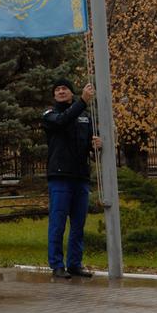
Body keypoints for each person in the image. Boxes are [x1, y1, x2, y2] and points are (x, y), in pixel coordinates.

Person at [42, 78, 102, 279]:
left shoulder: (84, 117)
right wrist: (83, 101)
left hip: (80, 177)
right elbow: (63, 120)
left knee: (78, 224)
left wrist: (96, 144)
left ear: (71, 92)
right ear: (54, 95)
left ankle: (74, 264)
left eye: (64, 88)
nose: (60, 91)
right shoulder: (50, 115)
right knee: (58, 222)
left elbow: (88, 144)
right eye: (57, 89)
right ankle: (57, 265)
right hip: (60, 177)